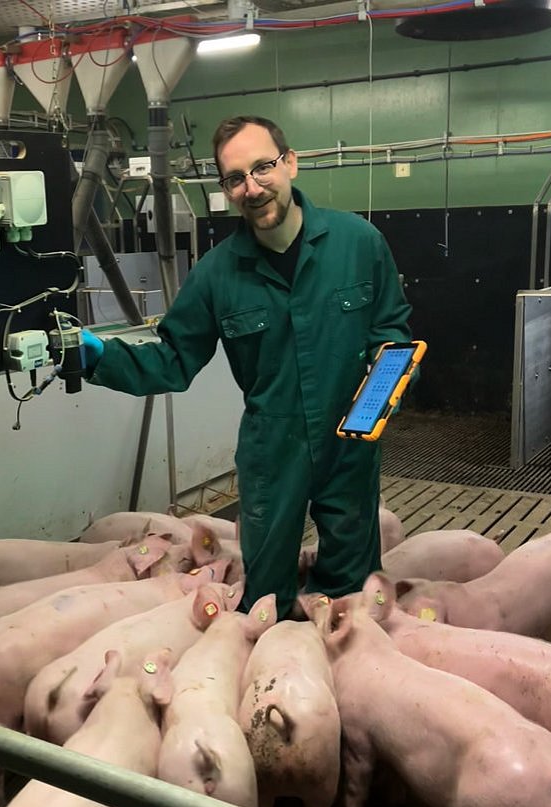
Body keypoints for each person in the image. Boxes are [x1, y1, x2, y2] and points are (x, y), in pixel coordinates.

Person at [81, 115, 414, 619]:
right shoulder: (217, 274)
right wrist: (97, 357)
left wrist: (383, 381)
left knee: (350, 588)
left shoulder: (358, 243)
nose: (252, 188)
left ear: (291, 163)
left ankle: (343, 683)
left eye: (263, 168)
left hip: (350, 443)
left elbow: (391, 331)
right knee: (264, 596)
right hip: (272, 450)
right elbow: (173, 360)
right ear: (225, 188)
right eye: (236, 178)